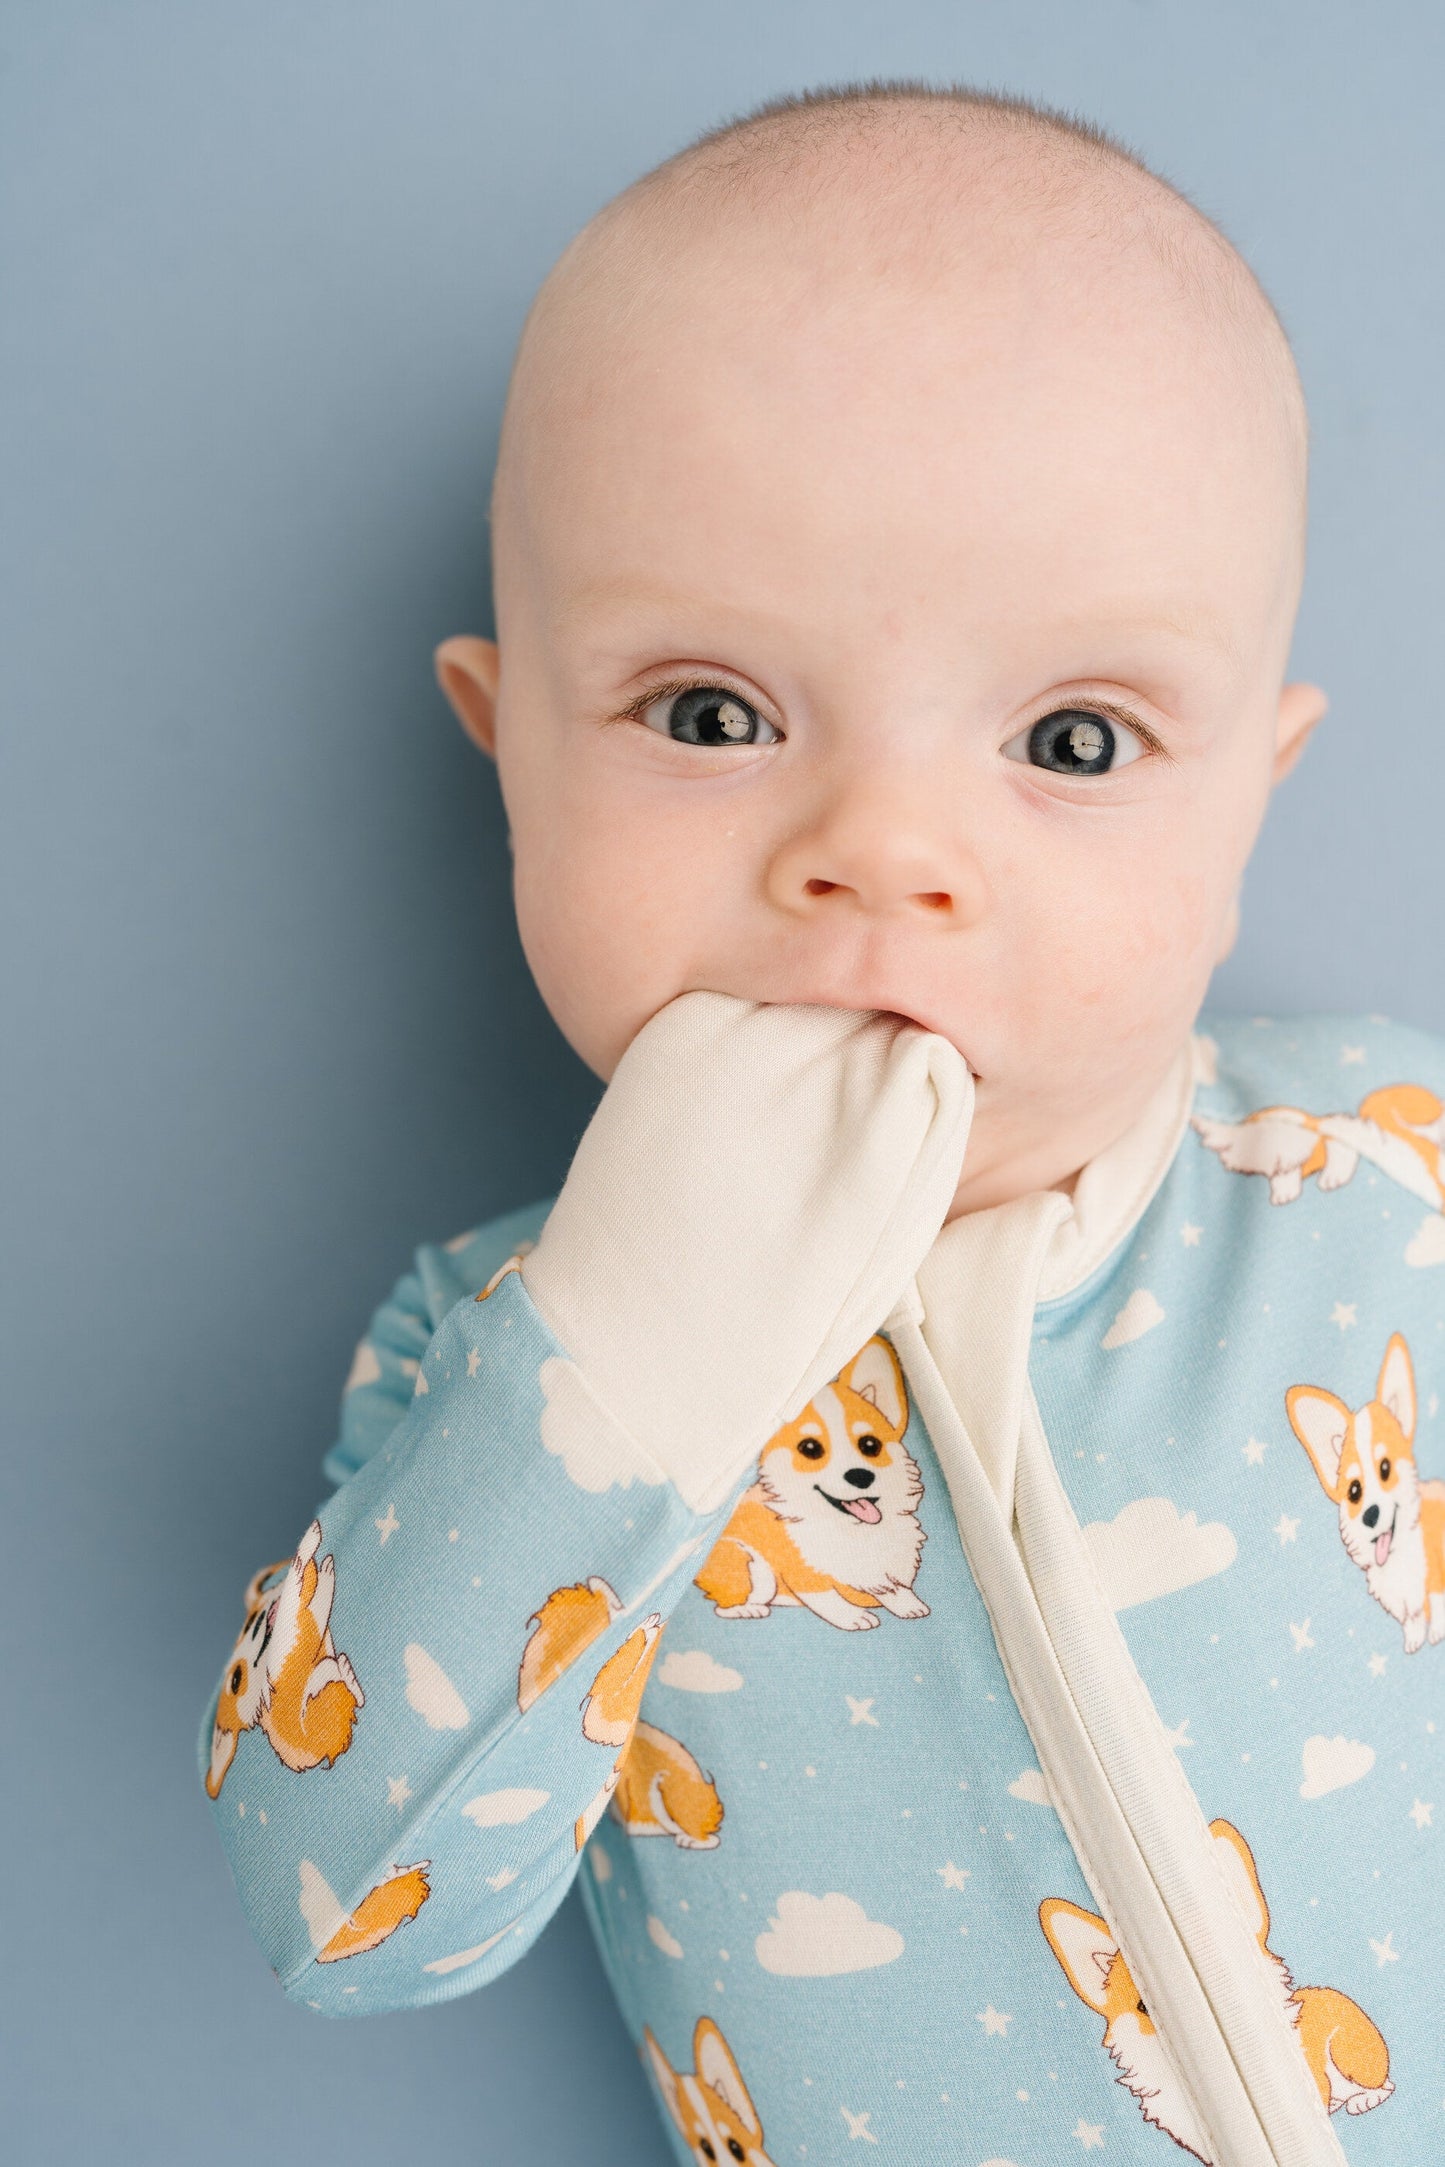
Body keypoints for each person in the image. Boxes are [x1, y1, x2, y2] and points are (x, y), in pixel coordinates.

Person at [198, 79, 1442, 2165]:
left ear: (1249, 796)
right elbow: (343, 1923)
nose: (879, 852)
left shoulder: (1388, 1175)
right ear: (510, 758)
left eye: (1072, 737)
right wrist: (623, 1362)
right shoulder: (502, 1350)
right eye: (709, 716)